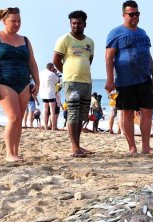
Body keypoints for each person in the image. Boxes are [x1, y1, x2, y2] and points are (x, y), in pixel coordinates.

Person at [105, 1, 153, 156]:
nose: (134, 17)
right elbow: (109, 57)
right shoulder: (116, 33)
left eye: (137, 14)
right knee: (127, 113)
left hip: (144, 79)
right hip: (125, 81)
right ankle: (132, 148)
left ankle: (146, 147)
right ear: (124, 15)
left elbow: (148, 56)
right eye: (131, 14)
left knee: (147, 112)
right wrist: (109, 79)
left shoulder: (143, 33)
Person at [0, 7, 40, 162]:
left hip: (24, 83)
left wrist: (37, 82)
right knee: (14, 117)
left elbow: (32, 63)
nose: (17, 24)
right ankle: (9, 154)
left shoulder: (25, 40)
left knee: (19, 119)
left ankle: (15, 152)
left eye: (19, 20)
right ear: (3, 20)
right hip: (3, 82)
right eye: (13, 21)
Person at [53, 10, 94, 157]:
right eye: (73, 23)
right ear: (70, 24)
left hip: (86, 82)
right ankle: (74, 147)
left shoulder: (90, 42)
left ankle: (78, 145)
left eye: (79, 23)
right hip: (71, 81)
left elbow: (89, 60)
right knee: (73, 113)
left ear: (84, 24)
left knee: (82, 115)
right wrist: (67, 73)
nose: (76, 26)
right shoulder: (64, 39)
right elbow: (56, 60)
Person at [39, 63, 59, 130]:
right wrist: (55, 73)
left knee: (45, 110)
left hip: (43, 94)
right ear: (51, 67)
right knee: (52, 111)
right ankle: (53, 127)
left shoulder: (41, 73)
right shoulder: (52, 74)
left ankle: (46, 127)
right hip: (51, 94)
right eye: (53, 68)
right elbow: (58, 81)